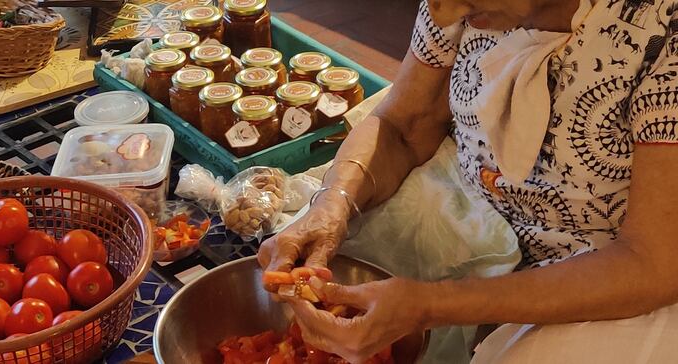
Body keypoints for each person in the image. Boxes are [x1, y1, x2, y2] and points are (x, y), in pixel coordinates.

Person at [257, 0, 678, 362]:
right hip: (474, 211)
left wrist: (431, 306)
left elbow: (652, 261)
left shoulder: (663, 30)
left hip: (608, 268)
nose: (439, 13)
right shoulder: (457, 7)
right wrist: (334, 202)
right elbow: (403, 125)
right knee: (306, 260)